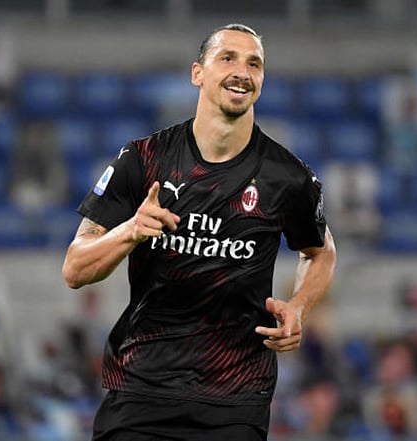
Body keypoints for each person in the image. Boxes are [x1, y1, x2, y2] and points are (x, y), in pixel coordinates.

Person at [61, 24, 337, 441]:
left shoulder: (288, 177)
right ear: (198, 73)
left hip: (235, 400)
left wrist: (299, 305)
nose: (242, 71)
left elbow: (320, 251)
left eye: (254, 63)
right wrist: (131, 231)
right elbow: (75, 269)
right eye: (227, 58)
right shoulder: (143, 160)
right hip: (141, 390)